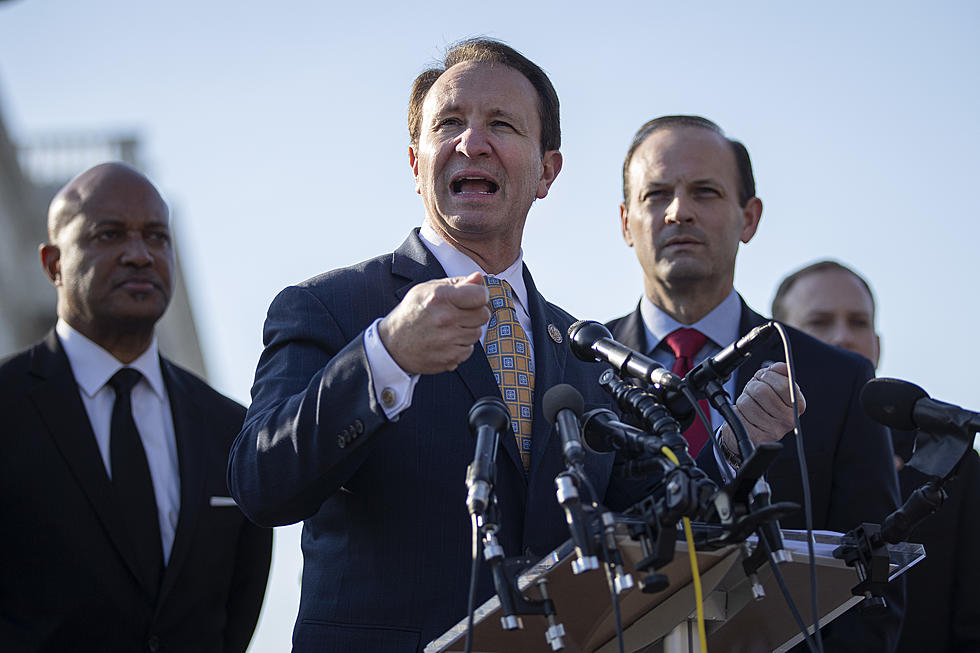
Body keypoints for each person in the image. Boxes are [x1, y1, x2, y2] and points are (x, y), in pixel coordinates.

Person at [228, 39, 653, 653]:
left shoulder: (584, 349)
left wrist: (729, 440)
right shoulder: (331, 308)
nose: (471, 143)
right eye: (448, 124)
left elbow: (638, 516)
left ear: (548, 171)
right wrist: (384, 358)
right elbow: (259, 481)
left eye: (501, 125)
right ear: (414, 160)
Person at [607, 116, 904, 650]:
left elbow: (874, 583)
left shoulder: (835, 379)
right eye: (656, 195)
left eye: (705, 191)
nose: (679, 211)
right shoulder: (581, 371)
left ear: (749, 217)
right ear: (626, 223)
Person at [0, 162, 272, 652]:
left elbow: (238, 606)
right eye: (109, 235)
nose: (139, 255)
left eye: (156, 236)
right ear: (52, 263)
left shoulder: (229, 429)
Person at [773, 259, 980, 652]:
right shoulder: (750, 457)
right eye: (818, 323)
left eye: (858, 322)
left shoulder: (953, 467)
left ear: (878, 344)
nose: (842, 337)